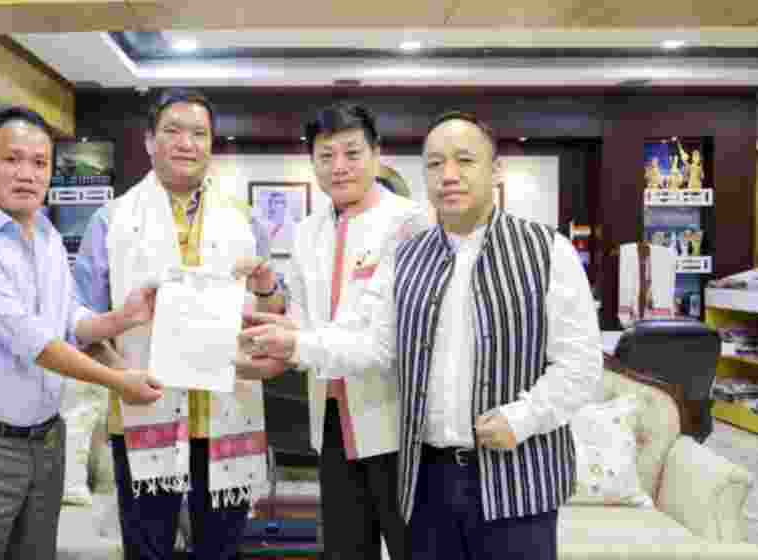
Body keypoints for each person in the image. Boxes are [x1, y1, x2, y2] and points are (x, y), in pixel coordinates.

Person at [242, 111, 602, 560]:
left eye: (464, 160)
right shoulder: (409, 256)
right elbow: (377, 342)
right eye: (434, 164)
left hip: (507, 470)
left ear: (496, 169)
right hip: (425, 469)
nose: (448, 175)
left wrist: (522, 417)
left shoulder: (544, 250)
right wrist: (289, 341)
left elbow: (582, 364)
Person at [0, 106, 164, 560]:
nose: (26, 174)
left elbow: (69, 320)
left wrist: (123, 319)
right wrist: (121, 383)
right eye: (12, 159)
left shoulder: (48, 237)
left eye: (39, 163)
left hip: (45, 443)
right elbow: (35, 343)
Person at [74, 88, 281, 560]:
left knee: (221, 551)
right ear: (149, 141)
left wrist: (268, 287)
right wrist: (119, 375)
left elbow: (275, 316)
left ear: (211, 145)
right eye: (173, 131)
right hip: (144, 411)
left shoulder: (243, 220)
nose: (186, 143)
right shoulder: (112, 220)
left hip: (226, 412)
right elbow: (80, 320)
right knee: (148, 551)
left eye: (199, 133)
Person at [236, 103, 429, 559]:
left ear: (377, 154)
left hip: (397, 424)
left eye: (351, 153)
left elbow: (390, 341)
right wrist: (270, 331)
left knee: (412, 547)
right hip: (331, 422)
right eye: (326, 156)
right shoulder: (308, 232)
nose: (339, 167)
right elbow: (304, 318)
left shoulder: (410, 224)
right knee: (345, 548)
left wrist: (295, 342)